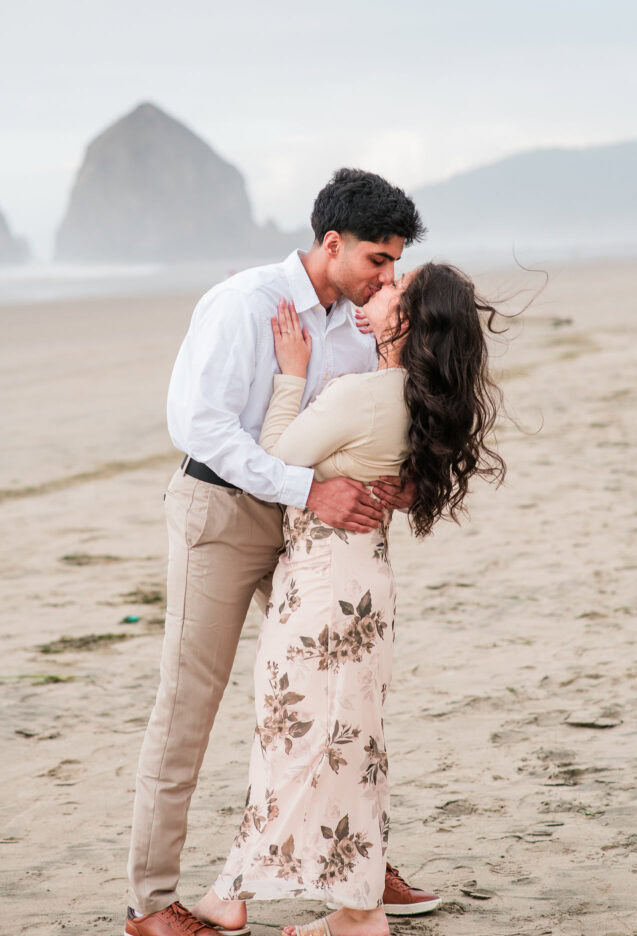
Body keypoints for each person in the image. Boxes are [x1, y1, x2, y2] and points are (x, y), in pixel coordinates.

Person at [125, 169, 443, 936]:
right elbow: (201, 427)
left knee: (338, 694)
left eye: (395, 265)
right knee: (188, 706)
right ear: (331, 243)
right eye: (377, 260)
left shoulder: (355, 320)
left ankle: (359, 870)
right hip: (223, 514)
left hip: (312, 531)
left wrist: (384, 482)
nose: (386, 278)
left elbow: (344, 427)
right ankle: (153, 901)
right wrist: (304, 488)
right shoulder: (244, 304)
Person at [193, 261, 506, 936]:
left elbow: (277, 458)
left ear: (403, 320)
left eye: (395, 287)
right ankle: (348, 903)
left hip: (322, 594)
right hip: (362, 589)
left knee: (297, 737)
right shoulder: (418, 397)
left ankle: (289, 899)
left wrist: (290, 375)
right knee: (345, 741)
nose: (379, 287)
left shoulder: (360, 394)